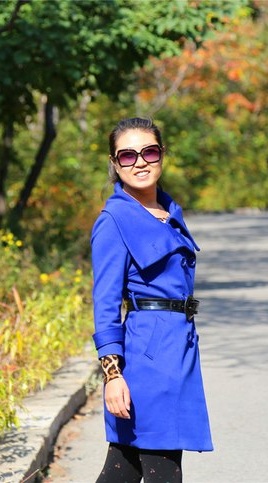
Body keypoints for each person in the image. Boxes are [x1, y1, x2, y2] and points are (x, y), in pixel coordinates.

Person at [91, 117, 212, 483]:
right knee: (163, 468)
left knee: (123, 467)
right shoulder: (114, 220)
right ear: (115, 163)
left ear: (162, 155)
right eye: (128, 156)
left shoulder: (168, 212)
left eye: (150, 152)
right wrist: (113, 375)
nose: (140, 162)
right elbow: (105, 303)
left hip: (180, 346)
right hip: (149, 354)